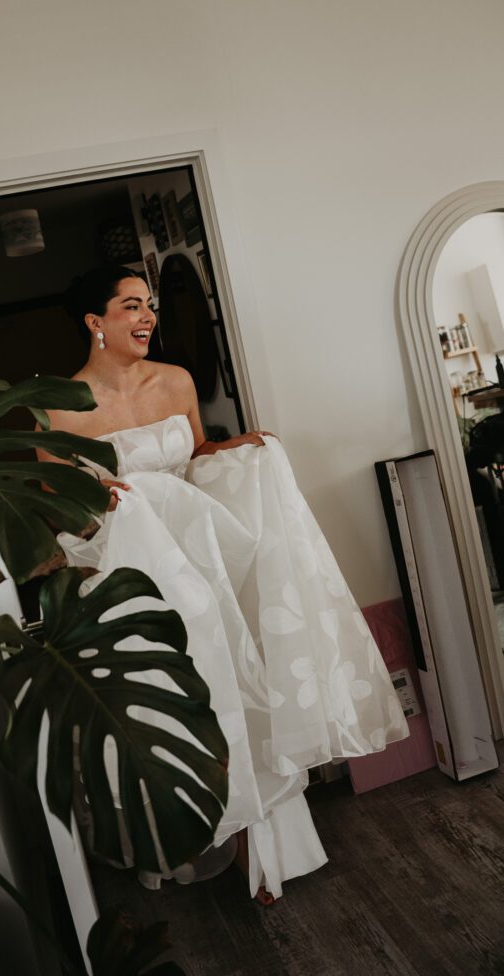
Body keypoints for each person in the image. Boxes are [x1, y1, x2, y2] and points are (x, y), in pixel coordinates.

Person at [38, 265, 409, 905]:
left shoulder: (176, 380)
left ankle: (268, 848)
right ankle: (211, 835)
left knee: (241, 685)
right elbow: (53, 511)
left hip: (204, 557)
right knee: (189, 702)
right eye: (130, 305)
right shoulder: (58, 409)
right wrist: (98, 498)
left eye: (149, 304)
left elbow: (197, 455)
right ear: (95, 321)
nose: (147, 315)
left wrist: (242, 448)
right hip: (136, 576)